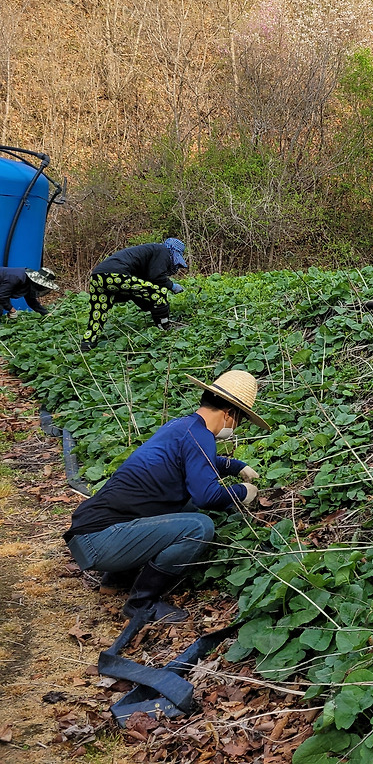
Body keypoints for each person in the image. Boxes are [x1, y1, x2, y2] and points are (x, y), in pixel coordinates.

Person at [63, 369, 267, 624]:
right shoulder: (200, 436)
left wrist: (235, 466)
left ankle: (116, 578)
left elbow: (198, 462)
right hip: (101, 541)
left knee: (182, 503)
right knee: (200, 525)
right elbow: (206, 496)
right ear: (229, 413)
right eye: (241, 420)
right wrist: (242, 492)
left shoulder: (183, 426)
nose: (237, 426)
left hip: (89, 532)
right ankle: (141, 603)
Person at [81, 238, 188, 350]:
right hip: (116, 275)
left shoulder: (149, 253)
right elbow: (156, 276)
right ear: (174, 252)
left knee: (98, 311)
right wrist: (172, 286)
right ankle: (165, 328)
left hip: (97, 277)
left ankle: (87, 343)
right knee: (158, 292)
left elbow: (137, 290)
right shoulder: (163, 250)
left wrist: (148, 305)